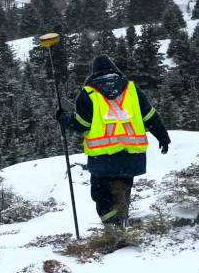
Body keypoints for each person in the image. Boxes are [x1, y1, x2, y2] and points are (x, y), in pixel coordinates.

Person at [56, 55, 170, 228]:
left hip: (103, 157)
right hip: (131, 155)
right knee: (123, 190)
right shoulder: (132, 89)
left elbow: (81, 124)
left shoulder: (88, 93)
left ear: (94, 73)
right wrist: (162, 137)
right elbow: (150, 116)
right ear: (114, 70)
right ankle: (121, 223)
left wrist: (63, 118)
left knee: (101, 193)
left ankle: (113, 227)